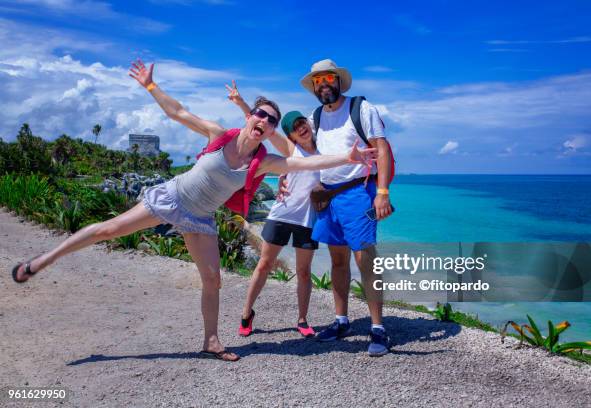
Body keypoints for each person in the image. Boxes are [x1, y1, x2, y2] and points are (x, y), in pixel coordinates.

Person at [10, 60, 377, 362]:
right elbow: (179, 113)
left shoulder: (263, 163)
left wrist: (348, 156)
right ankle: (42, 261)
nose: (263, 121)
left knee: (213, 280)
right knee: (107, 230)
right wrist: (151, 87)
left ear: (268, 132)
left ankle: (212, 341)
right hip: (171, 199)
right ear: (251, 118)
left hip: (201, 218)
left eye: (269, 120)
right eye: (260, 114)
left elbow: (307, 166)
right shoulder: (219, 134)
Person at [297, 59, 394, 356]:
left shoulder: (362, 109)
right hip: (328, 197)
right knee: (337, 262)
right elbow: (301, 149)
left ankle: (378, 328)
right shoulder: (315, 116)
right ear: (314, 87)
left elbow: (383, 149)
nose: (323, 84)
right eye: (317, 80)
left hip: (358, 194)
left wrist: (382, 192)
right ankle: (342, 321)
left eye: (327, 78)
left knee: (366, 259)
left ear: (338, 80)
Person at [224, 81, 320, 337]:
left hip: (308, 220)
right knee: (264, 265)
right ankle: (246, 312)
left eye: (303, 124)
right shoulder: (292, 150)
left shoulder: (324, 153)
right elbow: (262, 123)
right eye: (295, 129)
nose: (301, 129)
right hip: (281, 215)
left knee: (303, 271)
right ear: (291, 135)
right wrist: (241, 102)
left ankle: (302, 319)